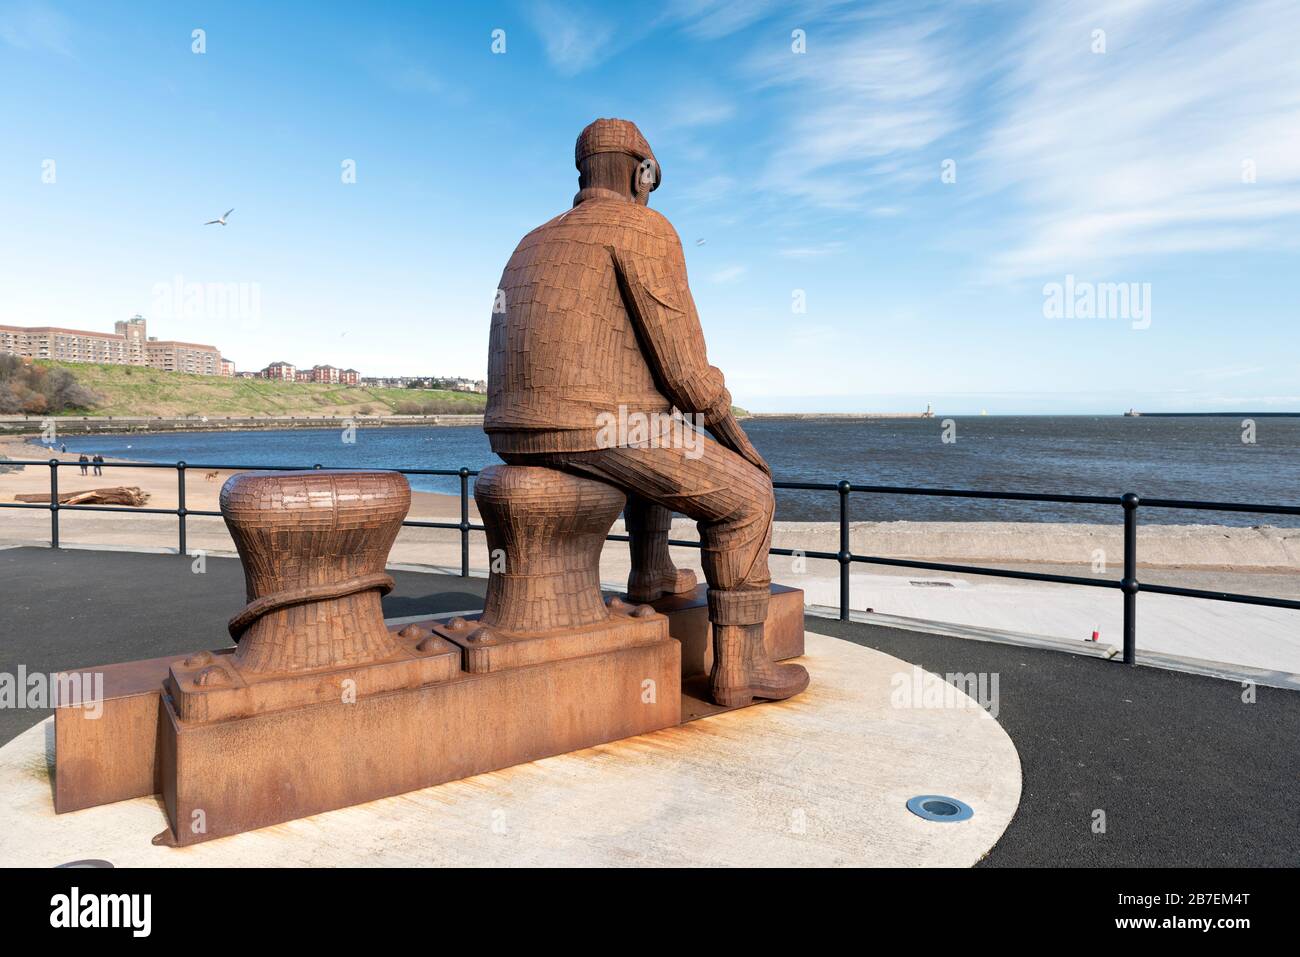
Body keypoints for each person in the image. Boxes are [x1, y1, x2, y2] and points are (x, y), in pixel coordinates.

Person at [484, 118, 808, 707]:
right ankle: (741, 668)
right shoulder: (644, 226)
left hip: (512, 428)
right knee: (748, 499)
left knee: (656, 431)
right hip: (595, 425)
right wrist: (736, 440)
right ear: (643, 172)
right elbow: (685, 371)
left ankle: (652, 572)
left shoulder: (532, 239)